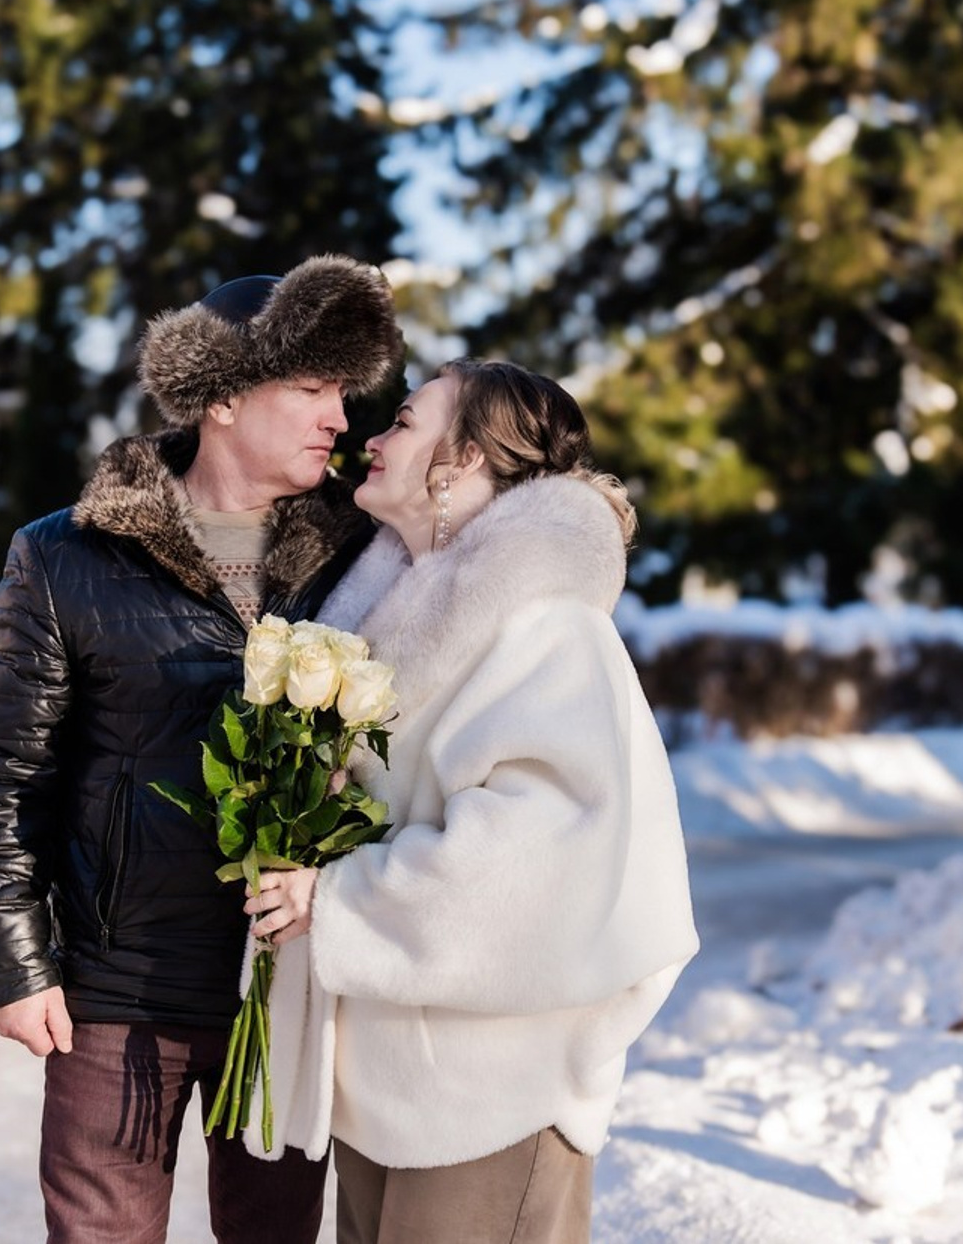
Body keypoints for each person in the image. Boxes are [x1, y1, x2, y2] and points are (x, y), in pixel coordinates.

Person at [0, 254, 403, 1244]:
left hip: (284, 987)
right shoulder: (67, 553)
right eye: (312, 387)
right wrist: (8, 955)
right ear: (224, 399)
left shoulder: (362, 559)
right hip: (117, 995)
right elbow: (7, 772)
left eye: (344, 391)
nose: (339, 416)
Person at [244, 358, 700, 1243]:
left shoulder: (549, 628)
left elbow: (539, 861)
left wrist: (334, 899)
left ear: (469, 460)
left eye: (406, 422)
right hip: (390, 1089)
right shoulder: (385, 619)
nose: (372, 438)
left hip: (493, 1095)